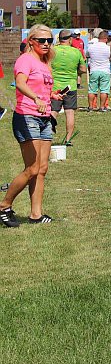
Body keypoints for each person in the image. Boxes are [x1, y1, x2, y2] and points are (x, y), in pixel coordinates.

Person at [1, 24, 64, 226]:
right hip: (27, 116)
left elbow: (43, 87)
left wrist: (52, 95)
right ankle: (4, 205)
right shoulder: (25, 59)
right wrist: (36, 98)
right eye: (42, 40)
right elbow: (20, 83)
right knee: (32, 168)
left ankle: (36, 214)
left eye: (49, 41)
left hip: (44, 117)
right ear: (31, 41)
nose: (46, 44)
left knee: (42, 168)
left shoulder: (45, 63)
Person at [50, 29, 86, 144]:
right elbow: (83, 69)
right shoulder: (76, 52)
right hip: (70, 86)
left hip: (55, 87)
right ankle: (68, 139)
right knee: (69, 112)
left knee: (53, 111)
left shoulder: (52, 50)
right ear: (70, 39)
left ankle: (46, 136)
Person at [87, 30, 111, 111]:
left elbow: (87, 56)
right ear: (105, 38)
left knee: (92, 90)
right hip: (105, 70)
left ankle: (91, 107)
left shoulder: (91, 47)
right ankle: (102, 107)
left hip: (94, 70)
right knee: (104, 90)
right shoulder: (108, 48)